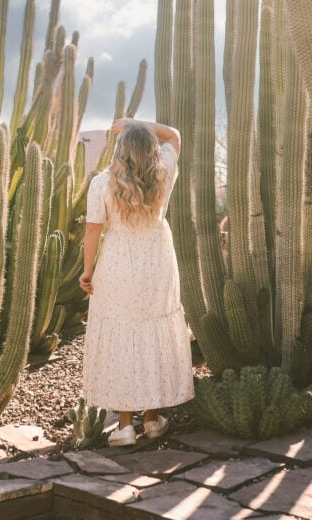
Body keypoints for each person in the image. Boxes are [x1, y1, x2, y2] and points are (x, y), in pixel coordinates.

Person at [79, 117, 194, 447]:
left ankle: (125, 426)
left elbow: (92, 231)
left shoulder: (103, 183)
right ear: (151, 151)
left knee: (122, 336)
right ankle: (153, 420)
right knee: (151, 335)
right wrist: (136, 124)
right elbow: (174, 134)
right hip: (157, 262)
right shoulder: (164, 173)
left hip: (117, 263)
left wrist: (88, 271)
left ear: (120, 151)